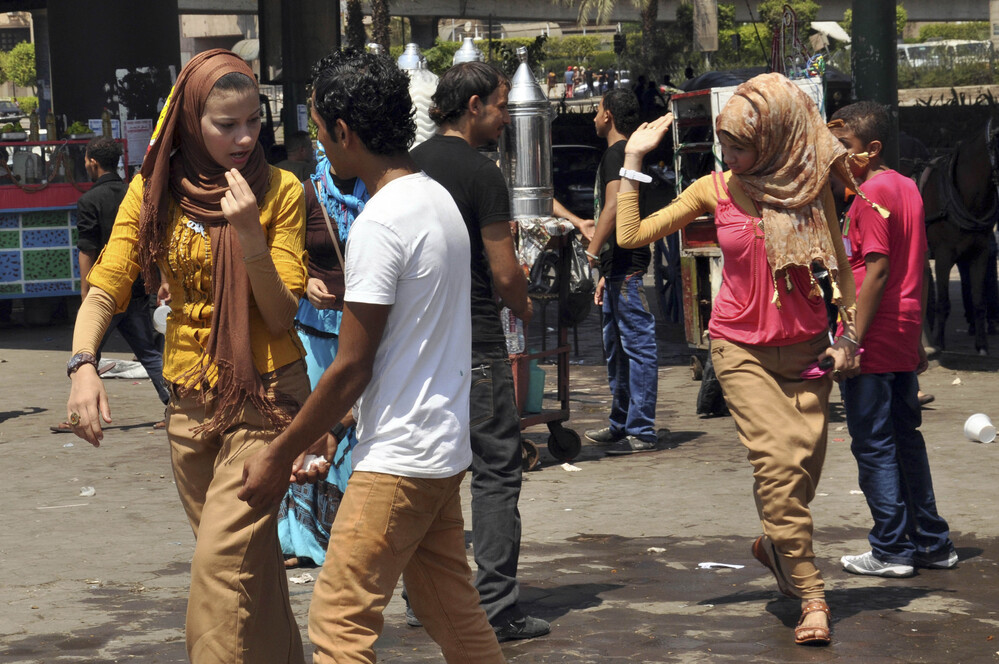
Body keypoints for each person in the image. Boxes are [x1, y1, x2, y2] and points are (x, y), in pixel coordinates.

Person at [237, 49, 505, 664]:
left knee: (337, 622)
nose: (319, 145)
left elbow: (353, 364)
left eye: (318, 129)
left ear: (344, 131)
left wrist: (279, 456)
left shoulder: (381, 221)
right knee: (451, 613)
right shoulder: (435, 199)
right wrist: (334, 427)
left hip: (401, 460)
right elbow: (406, 346)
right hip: (440, 447)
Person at [65, 49, 311, 663]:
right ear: (190, 121)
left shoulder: (281, 191)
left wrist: (251, 235)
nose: (244, 137)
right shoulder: (154, 192)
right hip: (189, 410)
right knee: (246, 575)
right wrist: (83, 364)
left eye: (253, 121)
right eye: (225, 125)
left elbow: (282, 314)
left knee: (219, 574)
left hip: (267, 403)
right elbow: (109, 282)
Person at [616, 73, 861, 646]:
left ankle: (774, 547)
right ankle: (812, 595)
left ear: (775, 139)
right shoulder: (714, 189)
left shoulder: (808, 187)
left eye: (741, 145)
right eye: (726, 144)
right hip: (737, 348)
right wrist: (631, 160)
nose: (730, 155)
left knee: (799, 473)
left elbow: (843, 270)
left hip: (806, 351)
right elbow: (632, 235)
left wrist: (849, 338)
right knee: (776, 465)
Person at [411, 61, 549, 642]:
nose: (502, 119)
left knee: (426, 470)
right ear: (472, 106)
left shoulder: (408, 167)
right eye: (498, 106)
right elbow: (503, 271)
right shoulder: (483, 174)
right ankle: (496, 605)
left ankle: (425, 598)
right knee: (496, 472)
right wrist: (525, 305)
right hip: (474, 343)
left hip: (418, 344)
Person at [828, 101, 958, 578]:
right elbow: (915, 268)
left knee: (874, 445)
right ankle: (931, 542)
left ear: (872, 148)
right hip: (900, 332)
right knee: (906, 440)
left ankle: (890, 549)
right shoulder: (907, 188)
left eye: (843, 148)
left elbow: (877, 270)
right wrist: (919, 338)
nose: (835, 157)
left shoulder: (870, 196)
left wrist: (851, 340)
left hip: (872, 334)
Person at [277, 148, 368, 568]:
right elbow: (288, 255)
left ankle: (350, 531)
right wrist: (306, 281)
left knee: (353, 427)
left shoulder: (381, 192)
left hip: (365, 327)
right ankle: (302, 539)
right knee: (310, 423)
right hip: (315, 329)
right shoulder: (308, 194)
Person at [51, 135, 171, 434]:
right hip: (136, 287)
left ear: (92, 162)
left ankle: (80, 416)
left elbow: (87, 248)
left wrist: (86, 292)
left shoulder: (90, 200)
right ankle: (174, 406)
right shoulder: (135, 194)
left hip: (106, 289)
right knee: (148, 352)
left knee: (85, 355)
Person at [581, 89, 659, 455]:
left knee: (637, 347)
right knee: (617, 350)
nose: (593, 118)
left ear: (608, 115)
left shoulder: (617, 152)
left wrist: (592, 252)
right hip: (617, 270)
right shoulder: (624, 153)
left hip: (626, 269)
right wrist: (603, 270)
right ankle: (622, 421)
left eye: (597, 111)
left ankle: (641, 429)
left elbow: (613, 205)